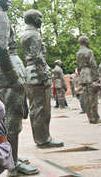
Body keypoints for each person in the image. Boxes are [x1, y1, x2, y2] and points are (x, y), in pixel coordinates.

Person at [0, 0, 37, 176]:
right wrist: (14, 78)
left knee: (4, 119)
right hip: (9, 68)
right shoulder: (1, 17)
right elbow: (0, 49)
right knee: (13, 121)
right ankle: (12, 167)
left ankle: (11, 157)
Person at [22, 9, 63, 148]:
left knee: (36, 108)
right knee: (41, 109)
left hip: (31, 73)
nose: (41, 20)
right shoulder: (33, 35)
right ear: (34, 18)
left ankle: (41, 137)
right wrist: (45, 75)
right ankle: (43, 139)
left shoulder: (26, 34)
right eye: (40, 17)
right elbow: (37, 57)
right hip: (37, 74)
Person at [76, 36, 101, 124]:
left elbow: (78, 67)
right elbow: (93, 65)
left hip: (82, 75)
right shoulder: (89, 51)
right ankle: (95, 118)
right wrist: (97, 77)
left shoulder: (78, 53)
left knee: (86, 98)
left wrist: (80, 77)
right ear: (85, 41)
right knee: (93, 97)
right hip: (89, 74)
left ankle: (90, 117)